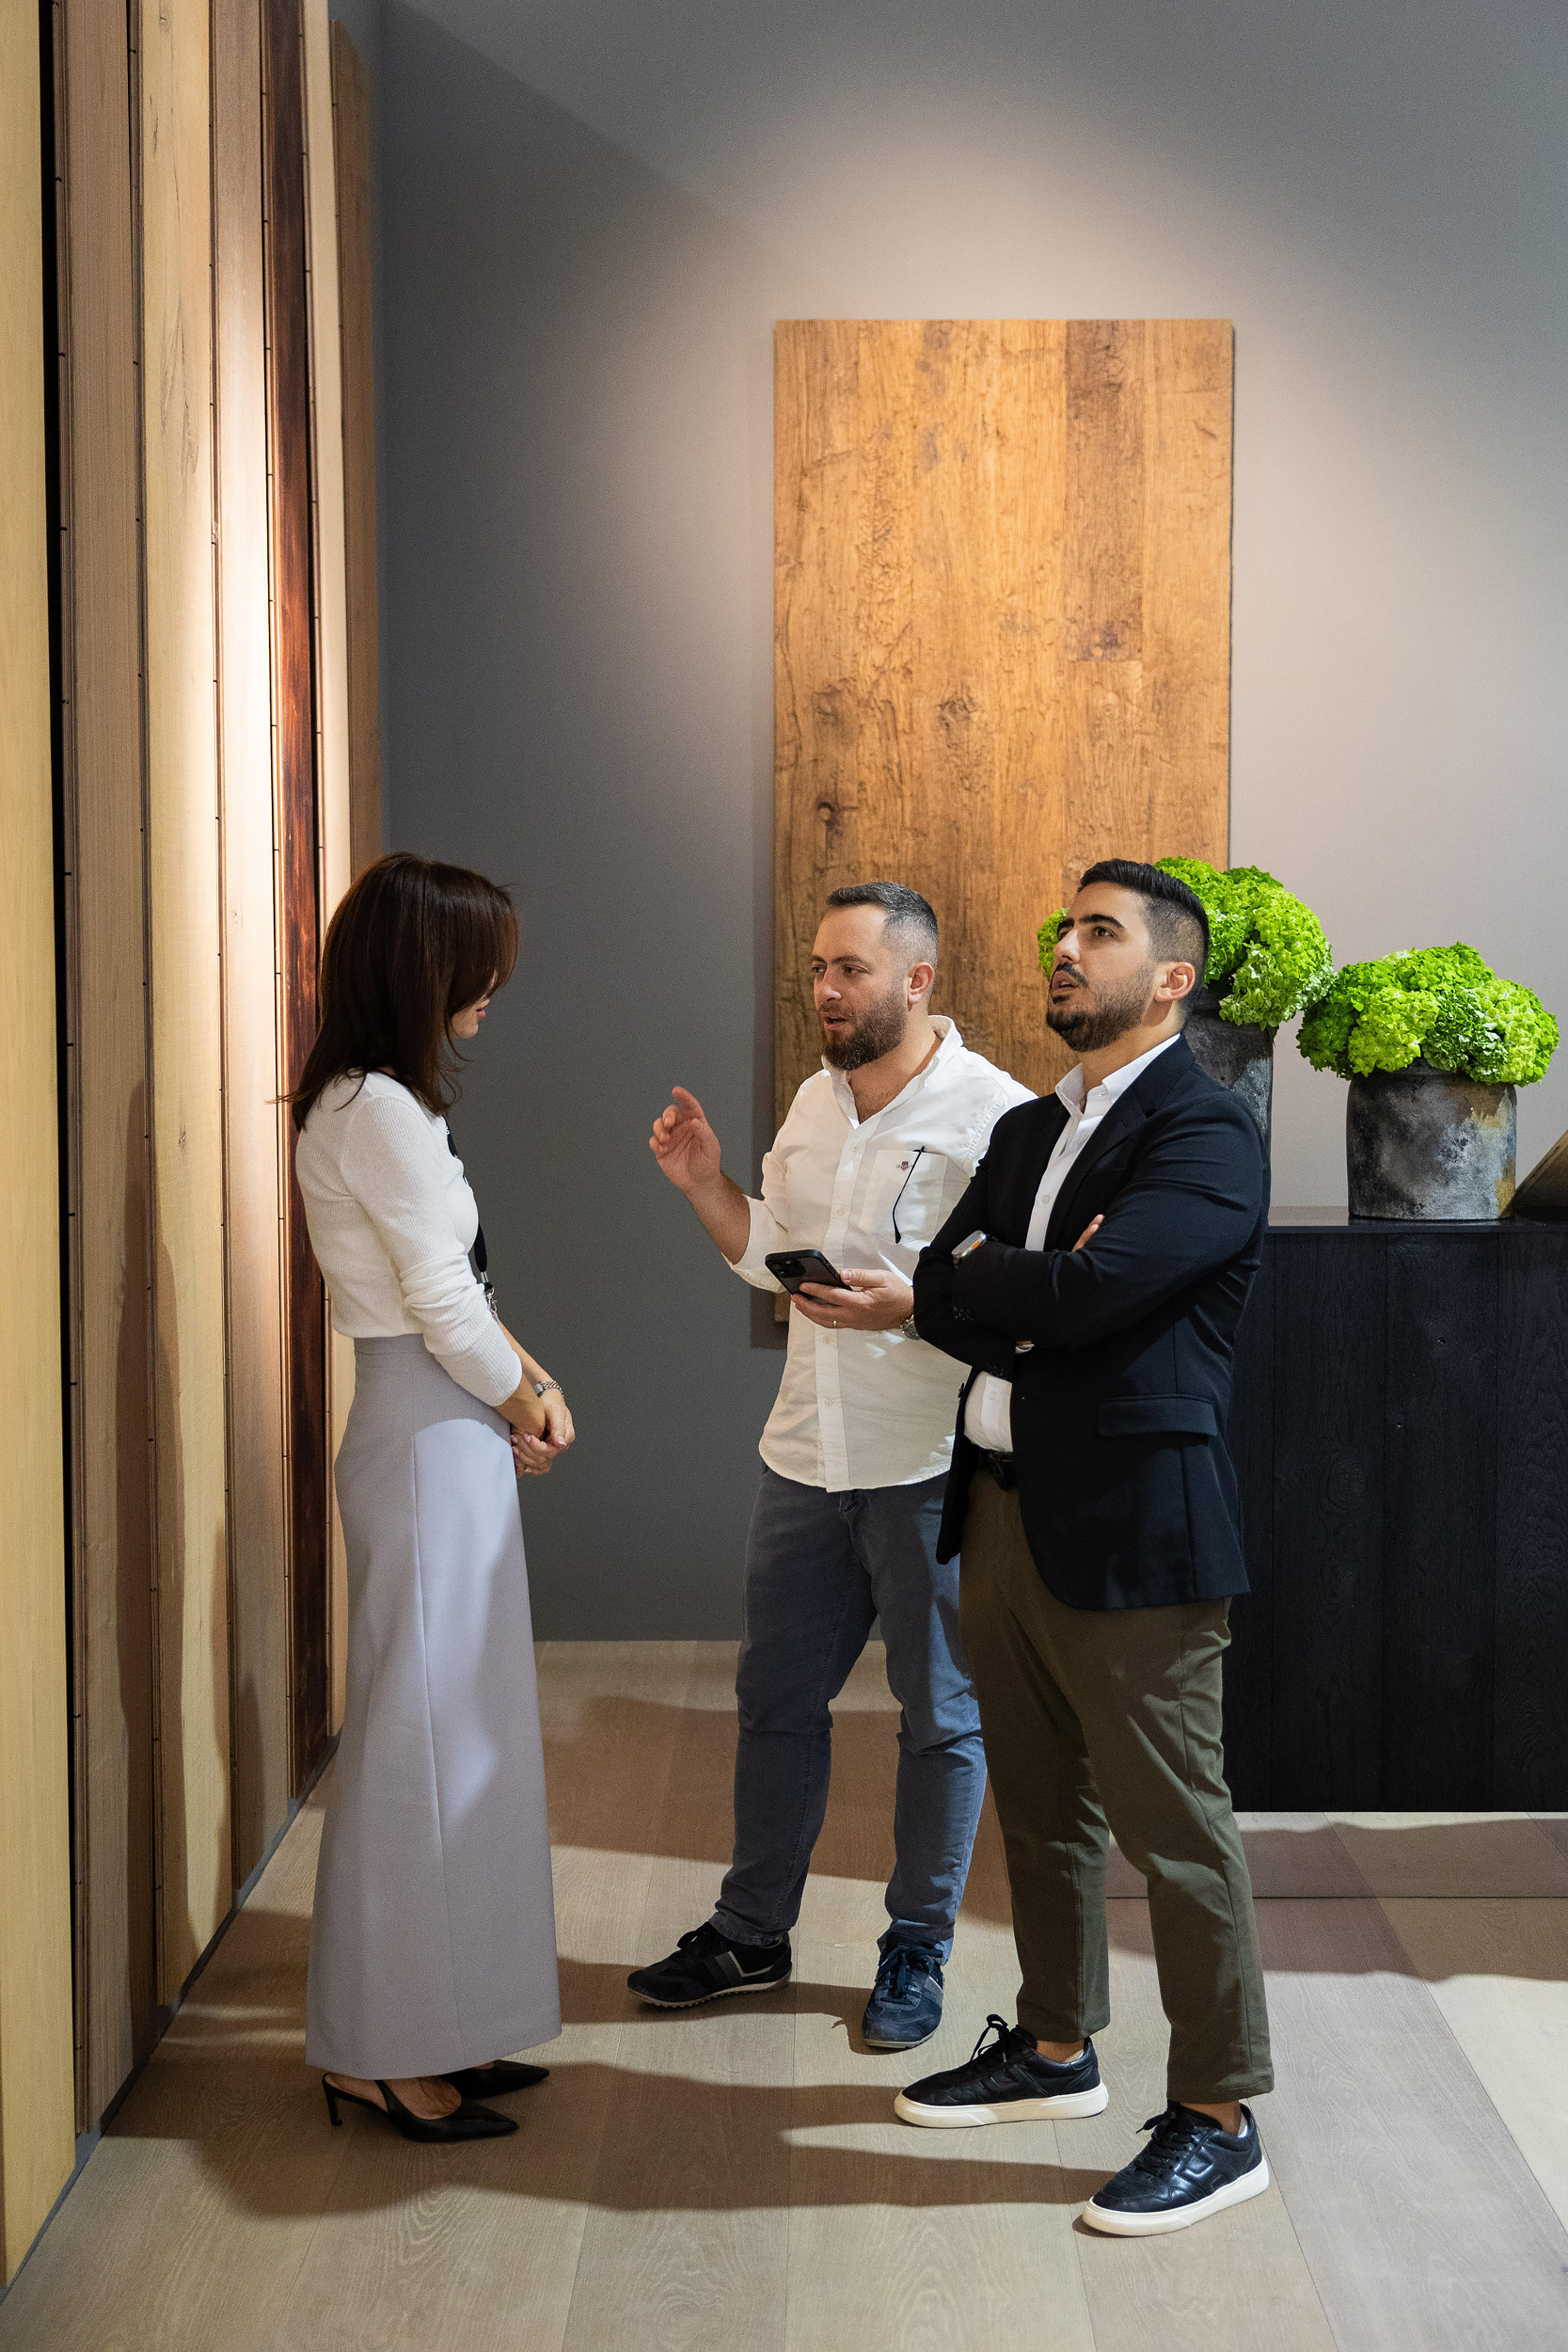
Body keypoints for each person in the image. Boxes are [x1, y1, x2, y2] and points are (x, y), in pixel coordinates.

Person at [897, 857, 1273, 2236]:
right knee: (1040, 1806)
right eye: (1064, 925)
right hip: (999, 1510)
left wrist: (1024, 1285)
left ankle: (1219, 2118)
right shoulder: (1026, 1126)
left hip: (1135, 1530)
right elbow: (936, 1289)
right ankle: (1053, 2049)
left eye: (1097, 931)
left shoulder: (1206, 1133)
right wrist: (1028, 1289)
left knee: (1177, 1836)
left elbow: (1097, 1289)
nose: (1063, 946)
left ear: (1169, 978)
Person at [627, 882, 1032, 2050]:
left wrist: (916, 1306)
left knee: (939, 1718)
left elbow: (1019, 1297)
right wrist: (705, 1185)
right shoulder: (812, 1101)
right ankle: (751, 1931)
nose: (824, 989)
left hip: (927, 1462)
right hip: (804, 1455)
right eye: (816, 967)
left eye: (849, 968)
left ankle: (916, 1947)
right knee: (773, 1703)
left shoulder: (998, 1116)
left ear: (916, 979)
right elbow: (773, 1255)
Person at [293, 851, 573, 2143]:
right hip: (423, 1425)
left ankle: (444, 2019)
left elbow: (457, 1294)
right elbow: (443, 1306)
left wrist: (524, 1386)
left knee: (460, 1730)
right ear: (423, 970)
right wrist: (523, 1395)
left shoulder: (373, 1102)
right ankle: (378, 2048)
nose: (493, 987)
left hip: (433, 1417)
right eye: (479, 967)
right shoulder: (376, 1113)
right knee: (418, 1742)